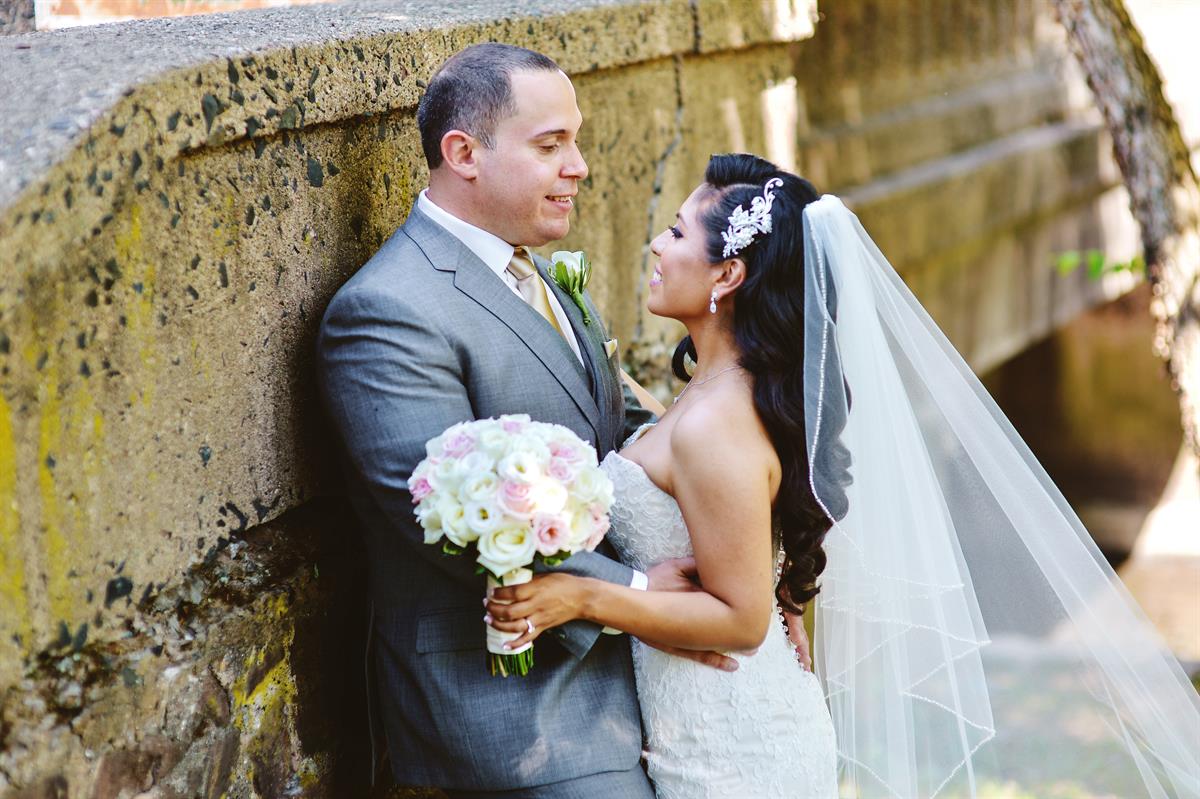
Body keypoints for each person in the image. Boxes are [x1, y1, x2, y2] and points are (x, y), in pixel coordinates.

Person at [487, 153, 1200, 798]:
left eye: (676, 233)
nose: (656, 246)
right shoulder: (723, 395)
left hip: (732, 751)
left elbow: (741, 620)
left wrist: (581, 595)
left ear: (728, 276)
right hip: (710, 723)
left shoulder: (716, 426)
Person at [315, 43, 738, 798]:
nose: (579, 166)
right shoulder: (388, 312)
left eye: (576, 140)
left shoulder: (540, 274)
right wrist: (638, 590)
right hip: (515, 709)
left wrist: (754, 571)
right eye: (551, 146)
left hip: (642, 684)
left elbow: (626, 439)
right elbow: (436, 516)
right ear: (464, 154)